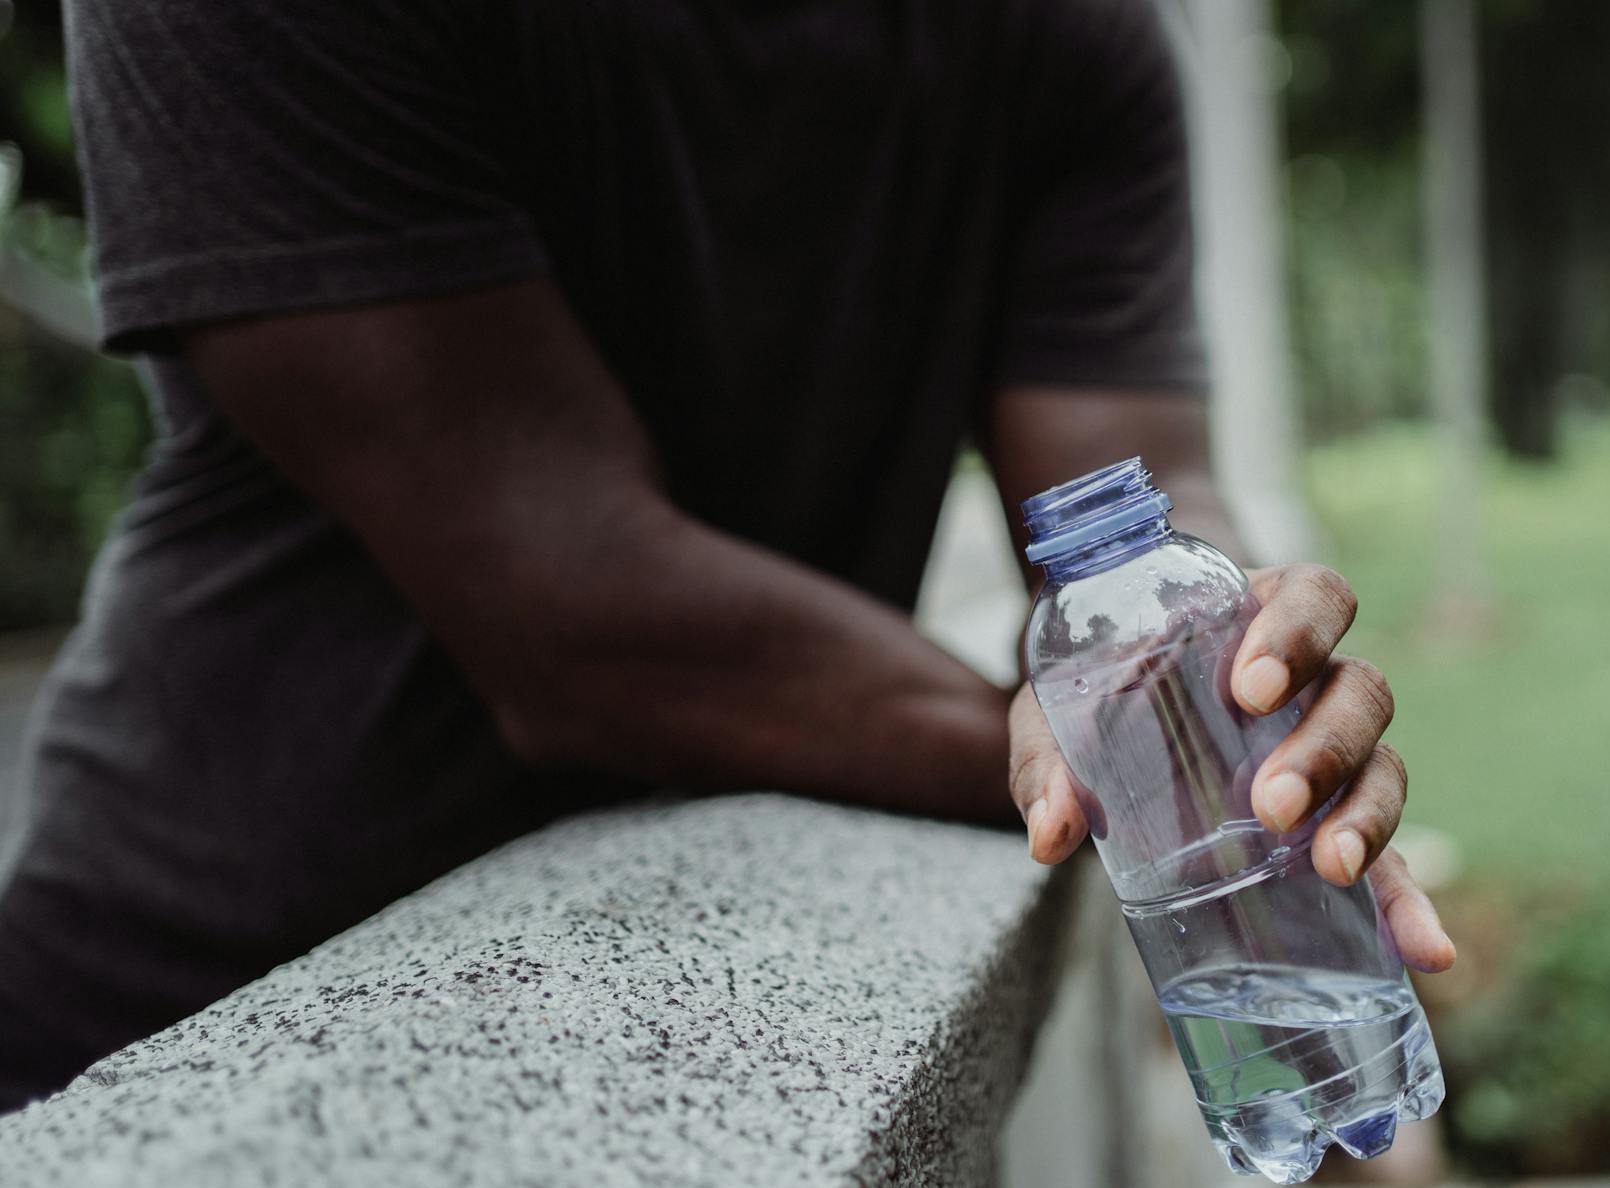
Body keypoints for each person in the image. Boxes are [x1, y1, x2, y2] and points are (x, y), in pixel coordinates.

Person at [0, 0, 1453, 1113]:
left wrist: (1242, 669)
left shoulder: (1054, 29)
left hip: (727, 993)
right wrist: (1108, 762)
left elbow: (1135, 507)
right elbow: (577, 610)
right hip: (217, 1013)